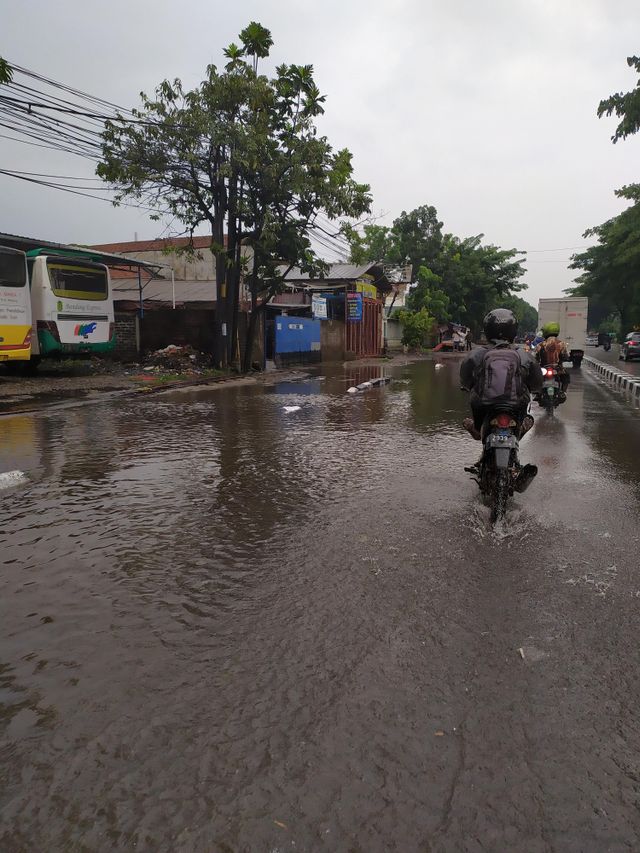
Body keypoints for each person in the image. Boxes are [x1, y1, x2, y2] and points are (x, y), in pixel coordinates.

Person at [460, 308, 543, 441]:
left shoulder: (476, 354)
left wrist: (467, 386)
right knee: (525, 398)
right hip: (516, 402)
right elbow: (537, 381)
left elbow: (465, 378)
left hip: (484, 402)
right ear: (514, 329)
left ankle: (476, 428)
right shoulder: (524, 355)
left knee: (474, 398)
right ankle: (520, 426)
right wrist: (535, 389)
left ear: (487, 329)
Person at [535, 322, 570, 398]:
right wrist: (566, 358)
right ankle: (563, 392)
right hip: (558, 369)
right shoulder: (561, 344)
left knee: (536, 377)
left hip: (543, 369)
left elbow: (536, 358)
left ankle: (537, 393)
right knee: (566, 376)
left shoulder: (540, 345)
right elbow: (565, 356)